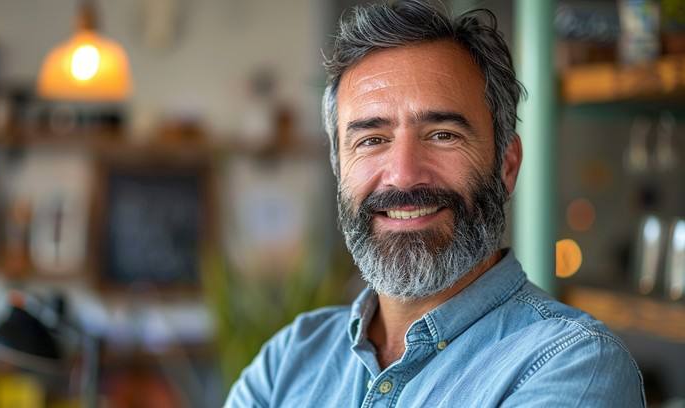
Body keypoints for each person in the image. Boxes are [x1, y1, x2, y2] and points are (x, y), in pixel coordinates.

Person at [225, 1, 645, 406]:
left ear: (507, 165)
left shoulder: (572, 363)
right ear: (339, 170)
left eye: (443, 134)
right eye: (372, 140)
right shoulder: (288, 361)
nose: (404, 174)